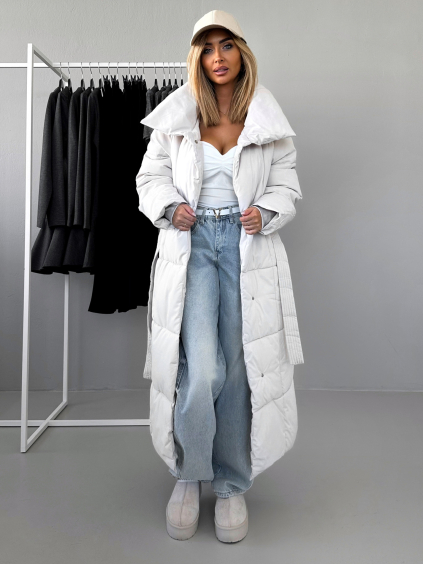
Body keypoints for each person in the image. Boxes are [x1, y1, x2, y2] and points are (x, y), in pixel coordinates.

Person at [136, 9, 304, 543]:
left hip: (245, 245)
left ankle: (231, 483)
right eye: (207, 48)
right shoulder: (177, 115)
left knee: (236, 367)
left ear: (241, 51)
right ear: (197, 58)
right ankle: (189, 473)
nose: (217, 57)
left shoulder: (267, 118)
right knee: (201, 366)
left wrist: (267, 211)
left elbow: (287, 185)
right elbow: (149, 178)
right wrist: (169, 207)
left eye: (226, 45)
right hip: (192, 245)